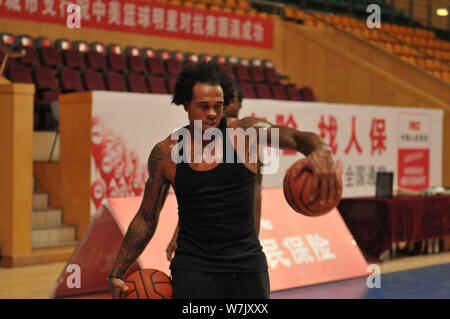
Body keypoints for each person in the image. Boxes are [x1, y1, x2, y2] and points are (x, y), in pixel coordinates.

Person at [108, 61, 339, 299]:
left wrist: (321, 149)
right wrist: (117, 272)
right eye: (203, 106)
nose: (212, 114)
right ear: (186, 105)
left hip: (246, 266)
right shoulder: (166, 153)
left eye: (218, 106)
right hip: (194, 269)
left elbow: (299, 139)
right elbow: (146, 218)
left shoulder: (246, 133)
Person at [165, 84, 263, 262]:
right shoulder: (203, 141)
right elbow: (196, 197)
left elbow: (256, 193)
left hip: (240, 245)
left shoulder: (248, 141)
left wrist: (254, 240)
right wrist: (178, 234)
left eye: (229, 102)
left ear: (240, 104)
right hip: (202, 247)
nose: (224, 108)